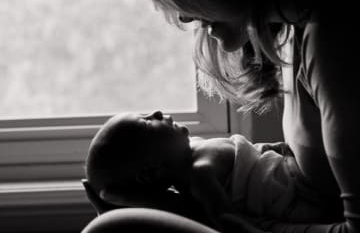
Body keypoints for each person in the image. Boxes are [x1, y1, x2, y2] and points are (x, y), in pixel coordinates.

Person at [83, 0, 360, 233]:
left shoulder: (334, 40)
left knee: (111, 228)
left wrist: (172, 211)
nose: (184, 16)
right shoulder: (294, 34)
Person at [85, 110, 327, 231]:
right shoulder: (199, 174)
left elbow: (249, 152)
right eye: (148, 122)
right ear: (150, 171)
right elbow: (225, 219)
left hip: (291, 167)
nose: (157, 113)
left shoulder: (195, 147)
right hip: (295, 198)